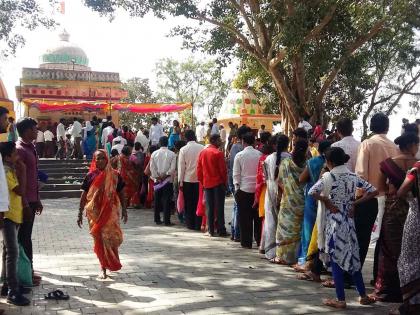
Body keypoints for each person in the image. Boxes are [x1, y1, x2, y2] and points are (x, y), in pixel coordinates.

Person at [309, 147, 377, 309]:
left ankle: (341, 299)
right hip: (349, 223)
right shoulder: (353, 177)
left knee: (337, 261)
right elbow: (373, 191)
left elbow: (312, 192)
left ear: (330, 162)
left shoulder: (328, 177)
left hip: (334, 225)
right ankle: (362, 295)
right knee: (354, 259)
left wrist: (327, 201)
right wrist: (354, 203)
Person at [372, 132, 419, 303]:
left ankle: (388, 290)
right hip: (414, 210)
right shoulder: (417, 164)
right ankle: (411, 290)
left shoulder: (387, 164)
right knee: (413, 252)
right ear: (411, 144)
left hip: (393, 209)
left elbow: (380, 188)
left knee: (390, 249)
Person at [355, 112, 399, 284]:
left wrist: (357, 199)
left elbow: (360, 175)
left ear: (372, 126)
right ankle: (378, 277)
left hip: (368, 198)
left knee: (362, 238)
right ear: (387, 127)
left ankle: (354, 275)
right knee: (382, 240)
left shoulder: (368, 143)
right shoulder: (394, 147)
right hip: (388, 197)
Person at [78, 150, 127, 279]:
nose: (100, 161)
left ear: (107, 160)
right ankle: (103, 267)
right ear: (94, 160)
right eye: (97, 158)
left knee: (110, 238)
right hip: (95, 213)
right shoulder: (90, 176)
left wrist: (125, 210)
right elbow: (84, 194)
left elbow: (121, 192)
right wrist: (79, 212)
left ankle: (111, 261)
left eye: (102, 158)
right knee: (100, 239)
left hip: (111, 213)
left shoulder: (115, 175)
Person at [0, 142, 31, 306]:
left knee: (7, 251)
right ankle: (12, 290)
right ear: (7, 157)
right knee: (12, 252)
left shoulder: (8, 169)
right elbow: (20, 190)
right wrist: (24, 171)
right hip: (8, 215)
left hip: (13, 214)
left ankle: (7, 285)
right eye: (14, 154)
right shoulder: (5, 171)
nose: (17, 157)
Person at [15, 117, 43, 286]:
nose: (36, 131)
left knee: (26, 237)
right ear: (26, 131)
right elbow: (19, 180)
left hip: (32, 199)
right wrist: (25, 203)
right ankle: (26, 273)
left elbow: (33, 176)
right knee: (23, 238)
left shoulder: (31, 147)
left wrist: (37, 199)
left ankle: (28, 270)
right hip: (23, 202)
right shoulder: (19, 150)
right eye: (34, 129)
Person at [296, 141, 331, 269]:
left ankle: (305, 259)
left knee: (308, 230)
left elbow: (301, 179)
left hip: (312, 198)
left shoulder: (313, 162)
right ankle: (323, 263)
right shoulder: (332, 162)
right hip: (327, 199)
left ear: (319, 149)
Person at [273, 139, 308, 264]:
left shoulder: (285, 163)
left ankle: (282, 257)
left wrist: (284, 195)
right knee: (298, 231)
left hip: (288, 201)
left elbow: (280, 182)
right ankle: (297, 257)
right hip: (302, 202)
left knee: (284, 229)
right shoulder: (307, 164)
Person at [394, 162, 420, 315]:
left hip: (416, 219)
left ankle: (411, 306)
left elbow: (401, 191)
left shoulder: (416, 168)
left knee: (408, 260)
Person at [263, 135, 291, 260]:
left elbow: (266, 177)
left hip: (270, 192)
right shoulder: (291, 158)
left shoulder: (268, 158)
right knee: (285, 223)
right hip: (287, 193)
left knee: (271, 222)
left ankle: (271, 251)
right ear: (288, 144)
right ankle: (283, 253)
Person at [233, 132, 262, 248]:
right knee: (257, 218)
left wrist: (237, 189)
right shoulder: (260, 154)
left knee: (245, 218)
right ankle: (259, 240)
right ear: (254, 142)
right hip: (257, 190)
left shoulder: (239, 155)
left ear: (243, 142)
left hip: (243, 190)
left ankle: (246, 242)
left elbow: (236, 175)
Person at [197, 134, 228, 237]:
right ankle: (221, 229)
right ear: (214, 141)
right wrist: (225, 182)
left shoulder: (203, 153)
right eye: (219, 140)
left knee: (209, 207)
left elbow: (199, 170)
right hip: (218, 183)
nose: (220, 142)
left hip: (207, 183)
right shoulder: (218, 153)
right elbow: (223, 171)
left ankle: (210, 229)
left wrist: (203, 182)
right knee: (219, 207)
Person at [228, 126, 252, 241]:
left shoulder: (234, 147)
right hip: (239, 182)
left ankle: (235, 232)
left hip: (236, 181)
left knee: (236, 207)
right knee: (239, 208)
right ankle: (238, 233)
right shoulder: (239, 149)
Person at [178, 130, 204, 230]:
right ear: (195, 136)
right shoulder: (202, 148)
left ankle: (190, 224)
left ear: (185, 138)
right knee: (198, 202)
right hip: (199, 180)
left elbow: (181, 168)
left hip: (187, 180)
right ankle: (198, 223)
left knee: (188, 203)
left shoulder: (183, 150)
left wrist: (180, 182)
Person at [254, 135, 276, 253]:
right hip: (281, 191)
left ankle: (264, 245)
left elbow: (260, 178)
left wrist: (256, 196)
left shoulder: (264, 158)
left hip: (265, 190)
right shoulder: (287, 157)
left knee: (266, 219)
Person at [150, 136, 176, 226]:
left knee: (157, 200)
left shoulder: (154, 154)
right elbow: (172, 169)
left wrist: (158, 176)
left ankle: (157, 219)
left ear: (159, 143)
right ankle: (166, 220)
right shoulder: (172, 154)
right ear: (167, 143)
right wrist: (165, 175)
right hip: (167, 180)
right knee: (167, 200)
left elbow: (152, 168)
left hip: (158, 180)